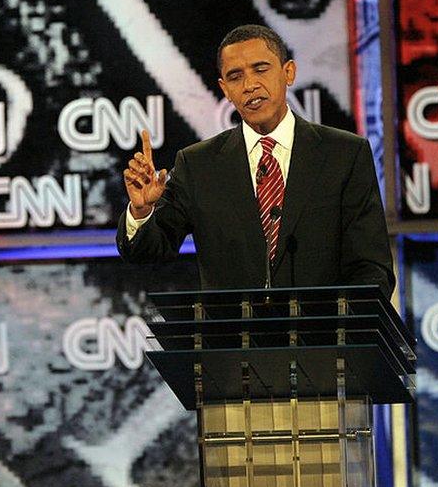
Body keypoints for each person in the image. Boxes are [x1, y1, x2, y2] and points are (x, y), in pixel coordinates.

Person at [117, 24, 394, 296]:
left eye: (261, 69)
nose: (250, 85)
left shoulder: (343, 154)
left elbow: (371, 268)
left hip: (322, 338)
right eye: (236, 77)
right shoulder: (198, 165)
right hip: (235, 338)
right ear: (225, 89)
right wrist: (141, 212)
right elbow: (147, 252)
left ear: (289, 72)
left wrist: (344, 329)